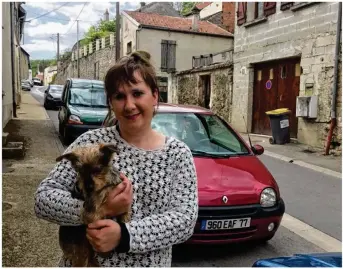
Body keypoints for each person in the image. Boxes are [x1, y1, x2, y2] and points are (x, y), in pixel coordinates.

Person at [34, 50, 199, 267]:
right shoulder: (90, 145)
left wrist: (124, 235)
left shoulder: (177, 154)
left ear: (155, 96)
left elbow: (184, 221)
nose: (129, 105)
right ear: (111, 102)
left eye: (137, 93)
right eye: (119, 96)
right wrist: (100, 209)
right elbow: (43, 199)